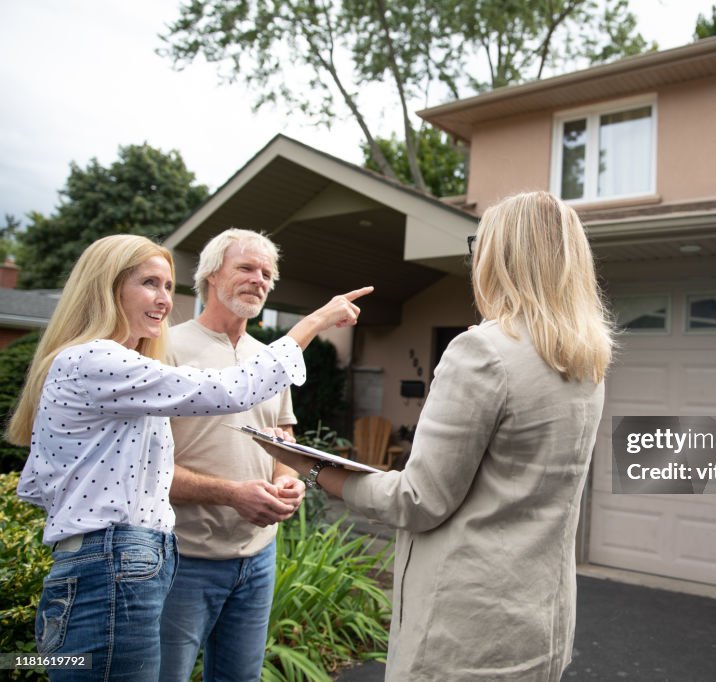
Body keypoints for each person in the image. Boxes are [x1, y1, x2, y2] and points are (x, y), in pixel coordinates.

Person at [261, 191, 614, 681]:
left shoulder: (483, 352)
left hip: (467, 630)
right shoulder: (585, 361)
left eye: (478, 245)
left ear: (500, 255)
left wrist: (312, 466)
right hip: (541, 619)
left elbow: (417, 500)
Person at [6, 234, 371, 681]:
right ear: (107, 286)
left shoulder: (113, 361)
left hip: (125, 560)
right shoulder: (97, 359)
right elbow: (230, 390)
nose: (163, 299)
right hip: (118, 563)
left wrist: (284, 468)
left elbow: (44, 483)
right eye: (149, 284)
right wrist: (314, 321)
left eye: (166, 286)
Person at [158, 229, 302, 681]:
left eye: (267, 274)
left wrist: (288, 479)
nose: (259, 280)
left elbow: (283, 441)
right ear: (209, 274)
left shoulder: (269, 358)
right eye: (246, 267)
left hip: (258, 558)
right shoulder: (163, 347)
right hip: (182, 558)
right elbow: (141, 470)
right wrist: (230, 493)